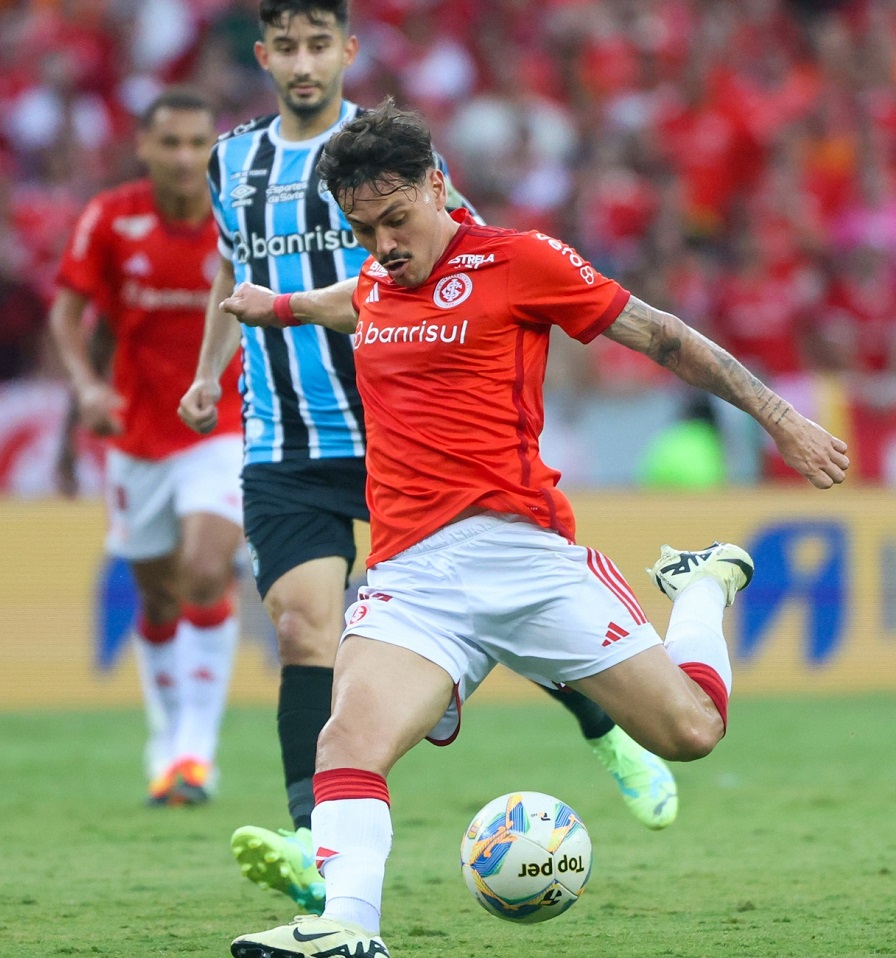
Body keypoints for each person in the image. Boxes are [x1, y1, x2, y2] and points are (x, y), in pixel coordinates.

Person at [223, 99, 849, 957]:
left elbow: (661, 336)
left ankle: (702, 585)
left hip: (524, 554)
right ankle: (346, 930)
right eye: (365, 229)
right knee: (349, 739)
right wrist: (281, 306)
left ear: (437, 185)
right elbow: (354, 300)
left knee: (693, 732)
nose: (384, 246)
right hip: (412, 575)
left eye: (397, 219)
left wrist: (780, 418)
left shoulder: (519, 262)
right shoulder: (376, 279)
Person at [178, 0, 678, 915]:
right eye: (284, 45)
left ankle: (609, 728)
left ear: (345, 51)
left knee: (492, 595)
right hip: (286, 435)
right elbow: (230, 263)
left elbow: (475, 270)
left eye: (317, 43)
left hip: (400, 435)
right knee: (301, 626)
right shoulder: (232, 160)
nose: (301, 61)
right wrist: (216, 361)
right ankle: (313, 842)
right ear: (262, 55)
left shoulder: (395, 162)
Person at [51, 87, 243, 807]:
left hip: (218, 424)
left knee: (203, 568)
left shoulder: (237, 221)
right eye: (172, 143)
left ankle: (197, 751)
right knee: (157, 597)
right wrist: (86, 392)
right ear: (145, 148)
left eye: (200, 143)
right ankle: (165, 740)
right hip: (135, 435)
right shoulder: (110, 217)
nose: (187, 157)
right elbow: (68, 317)